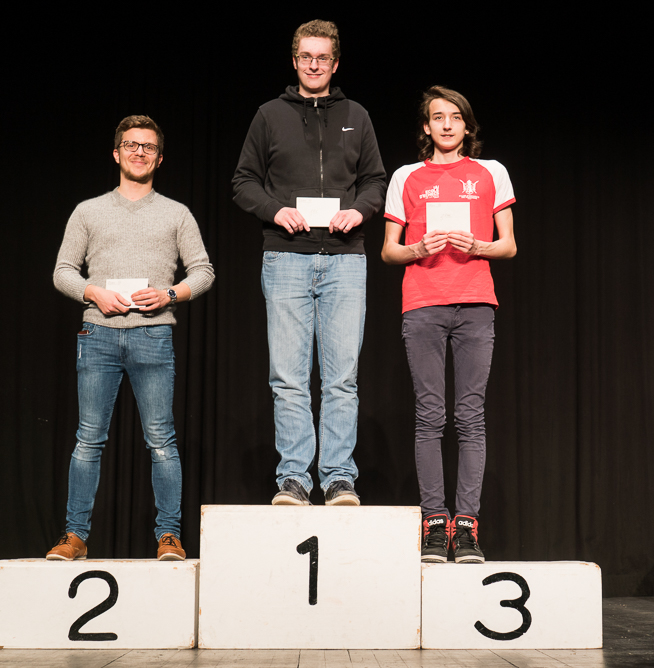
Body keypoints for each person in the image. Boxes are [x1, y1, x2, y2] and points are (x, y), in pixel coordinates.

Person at [232, 20, 386, 506]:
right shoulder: (269, 115)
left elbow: (376, 182)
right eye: (306, 57)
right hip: (286, 257)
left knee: (342, 377)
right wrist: (275, 209)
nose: (314, 65)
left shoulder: (356, 115)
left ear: (335, 63)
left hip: (345, 260)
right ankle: (294, 478)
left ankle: (339, 477)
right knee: (289, 377)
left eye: (322, 58)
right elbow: (243, 182)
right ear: (294, 60)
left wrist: (357, 212)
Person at [47, 115, 214, 561]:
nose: (139, 152)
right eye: (130, 145)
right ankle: (75, 535)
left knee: (161, 439)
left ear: (159, 158)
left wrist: (170, 294)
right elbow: (63, 271)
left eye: (148, 147)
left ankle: (169, 536)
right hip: (98, 333)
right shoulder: (88, 211)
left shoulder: (176, 213)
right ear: (117, 153)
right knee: (89, 439)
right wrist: (92, 291)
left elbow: (203, 271)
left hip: (153, 335)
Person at [381, 86, 517, 563]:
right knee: (430, 415)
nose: (445, 125)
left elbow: (509, 245)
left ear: (466, 126)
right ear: (426, 127)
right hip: (423, 303)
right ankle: (434, 524)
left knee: (470, 417)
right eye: (436, 117)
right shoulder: (407, 177)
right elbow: (389, 250)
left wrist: (475, 244)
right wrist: (419, 248)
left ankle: (467, 529)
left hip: (476, 303)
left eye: (454, 117)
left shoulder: (490, 173)